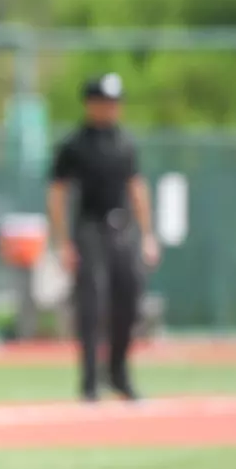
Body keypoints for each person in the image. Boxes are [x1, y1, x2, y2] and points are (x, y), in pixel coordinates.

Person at [46, 72, 160, 402]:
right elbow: (57, 193)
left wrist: (148, 234)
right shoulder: (74, 145)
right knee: (91, 304)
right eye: (104, 102)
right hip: (88, 229)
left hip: (121, 229)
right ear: (90, 104)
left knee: (129, 299)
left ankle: (119, 373)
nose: (110, 109)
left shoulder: (125, 143)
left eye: (114, 102)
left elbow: (137, 188)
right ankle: (90, 382)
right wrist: (62, 241)